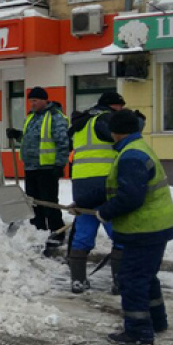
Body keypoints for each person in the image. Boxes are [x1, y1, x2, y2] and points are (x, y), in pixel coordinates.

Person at [94, 109, 173, 345]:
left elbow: (130, 197)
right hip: (155, 226)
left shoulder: (130, 156)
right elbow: (119, 189)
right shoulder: (137, 148)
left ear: (115, 132)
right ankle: (156, 321)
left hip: (144, 229)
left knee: (132, 279)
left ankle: (138, 332)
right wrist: (84, 202)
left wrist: (104, 212)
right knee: (146, 277)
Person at [66, 91, 126, 294]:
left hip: (81, 184)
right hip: (105, 183)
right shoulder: (105, 119)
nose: (121, 110)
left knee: (84, 231)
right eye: (120, 106)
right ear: (112, 105)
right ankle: (120, 282)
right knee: (119, 231)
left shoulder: (81, 123)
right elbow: (121, 136)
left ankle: (78, 280)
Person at [7, 86, 70, 253]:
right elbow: (30, 138)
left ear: (44, 100)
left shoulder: (55, 116)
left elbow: (63, 142)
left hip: (47, 167)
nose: (32, 104)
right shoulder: (31, 117)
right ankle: (38, 230)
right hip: (31, 167)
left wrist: (59, 164)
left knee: (49, 201)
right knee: (34, 202)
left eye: (35, 100)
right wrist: (17, 135)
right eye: (30, 101)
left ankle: (57, 231)